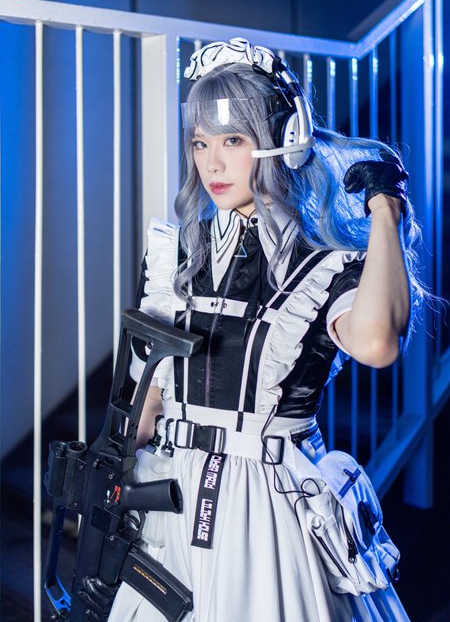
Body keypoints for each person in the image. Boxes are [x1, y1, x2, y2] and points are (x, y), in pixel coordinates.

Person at [108, 37, 423, 621]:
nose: (211, 163)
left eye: (233, 140)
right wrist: (113, 466)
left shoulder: (324, 264)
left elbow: (378, 344)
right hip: (173, 496)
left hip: (268, 509)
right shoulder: (179, 254)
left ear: (283, 141)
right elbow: (148, 396)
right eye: (200, 142)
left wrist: (386, 211)